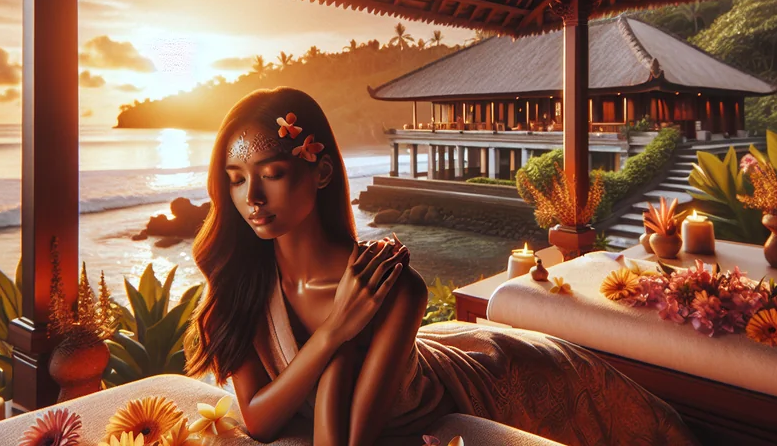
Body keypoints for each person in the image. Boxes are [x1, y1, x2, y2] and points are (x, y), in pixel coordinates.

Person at [184, 87, 696, 446]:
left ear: (319, 172)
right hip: (413, 346)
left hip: (476, 381)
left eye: (271, 173)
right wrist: (334, 332)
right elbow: (257, 422)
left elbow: (353, 439)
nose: (250, 197)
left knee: (614, 412)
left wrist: (339, 343)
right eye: (234, 179)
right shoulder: (243, 282)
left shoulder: (393, 288)